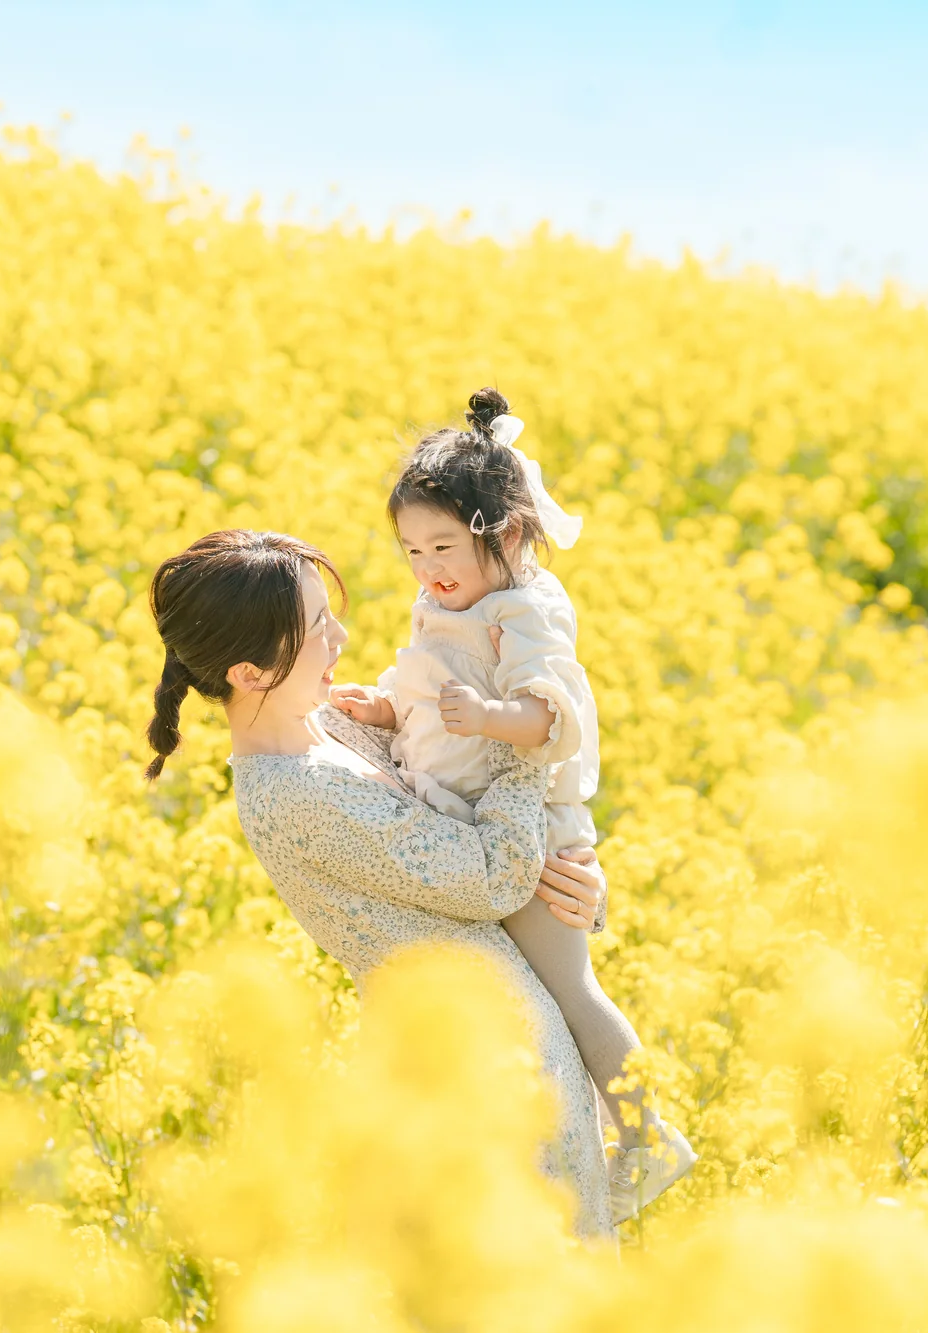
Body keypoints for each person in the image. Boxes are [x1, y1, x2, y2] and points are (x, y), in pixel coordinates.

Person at [144, 528, 615, 1237]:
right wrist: (523, 739)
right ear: (247, 671)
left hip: (517, 1054)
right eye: (315, 626)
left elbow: (471, 811)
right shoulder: (294, 794)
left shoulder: (333, 726)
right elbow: (492, 876)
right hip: (470, 1085)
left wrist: (576, 881)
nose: (342, 634)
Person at [328, 388, 694, 1221]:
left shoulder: (523, 610)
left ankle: (647, 1135)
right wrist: (384, 709)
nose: (428, 567)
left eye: (445, 545)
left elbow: (554, 711)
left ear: (510, 533)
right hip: (479, 834)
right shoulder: (443, 605)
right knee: (533, 1010)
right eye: (412, 550)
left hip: (537, 843)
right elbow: (425, 687)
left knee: (571, 993)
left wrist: (494, 718)